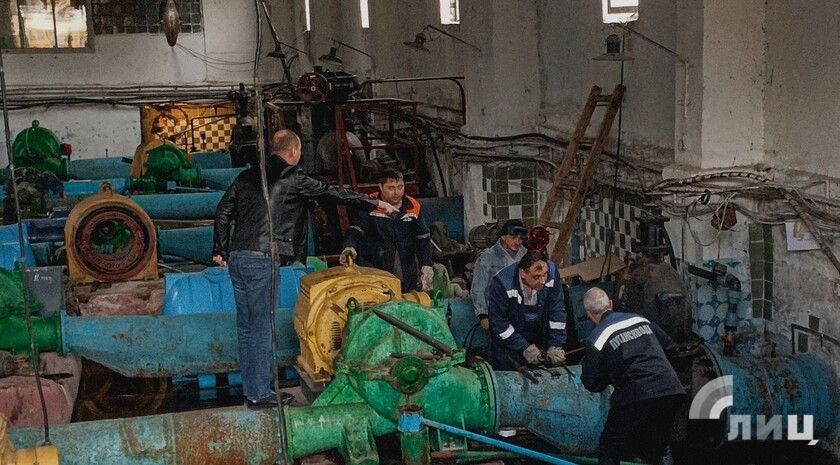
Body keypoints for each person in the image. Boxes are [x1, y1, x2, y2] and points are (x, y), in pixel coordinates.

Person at [212, 130, 398, 409]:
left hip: (238, 258)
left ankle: (252, 392)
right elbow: (332, 193)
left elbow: (223, 210)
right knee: (261, 329)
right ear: (294, 152)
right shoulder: (293, 177)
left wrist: (220, 248)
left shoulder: (247, 176)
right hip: (262, 259)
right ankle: (260, 393)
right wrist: (374, 202)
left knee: (247, 328)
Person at [580, 287, 685, 465]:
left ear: (589, 314)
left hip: (635, 394)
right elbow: (671, 347)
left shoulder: (597, 338)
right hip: (671, 389)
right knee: (658, 449)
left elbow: (591, 383)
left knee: (609, 448)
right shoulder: (639, 319)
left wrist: (610, 375)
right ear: (611, 304)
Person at [340, 168, 434, 292]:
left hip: (406, 271)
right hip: (374, 271)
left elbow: (423, 239)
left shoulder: (413, 206)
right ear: (380, 186)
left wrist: (426, 264)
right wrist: (349, 246)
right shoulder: (369, 204)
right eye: (391, 188)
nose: (396, 192)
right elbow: (355, 230)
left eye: (400, 187)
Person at [487, 249, 566, 370]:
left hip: (540, 336)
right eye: (536, 276)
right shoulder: (502, 283)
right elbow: (499, 324)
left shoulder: (552, 272)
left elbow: (557, 311)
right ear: (523, 273)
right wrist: (523, 347)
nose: (543, 281)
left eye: (545, 274)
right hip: (508, 346)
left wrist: (556, 345)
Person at [471, 219, 528, 331]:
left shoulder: (525, 255)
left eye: (521, 239)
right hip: (497, 315)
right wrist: (483, 315)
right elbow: (478, 289)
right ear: (503, 236)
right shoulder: (487, 258)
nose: (518, 242)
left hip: (520, 313)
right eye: (513, 237)